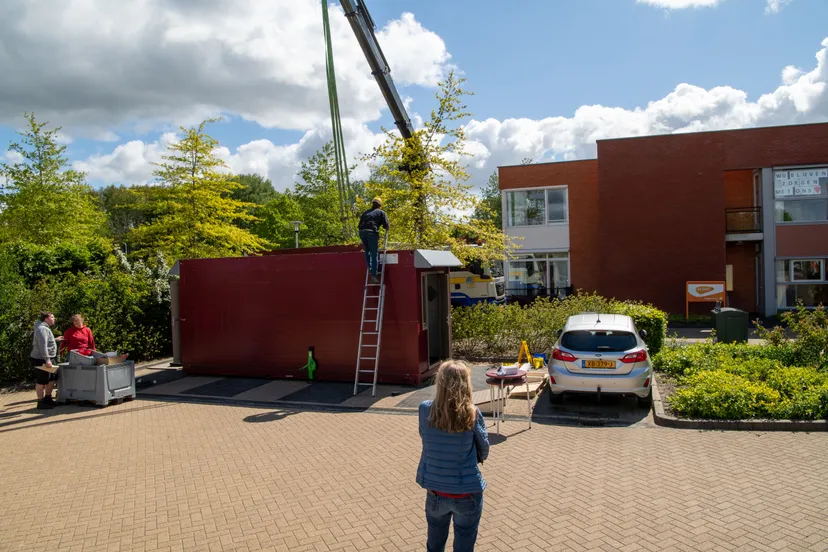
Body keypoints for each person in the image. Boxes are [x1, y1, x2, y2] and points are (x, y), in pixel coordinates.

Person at [417, 360, 489, 552]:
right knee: (464, 544)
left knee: (434, 544)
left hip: (435, 492)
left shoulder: (425, 409)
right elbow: (484, 450)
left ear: (439, 382)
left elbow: (425, 437)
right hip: (467, 493)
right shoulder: (472, 413)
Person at [30, 311, 62, 410]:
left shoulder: (44, 328)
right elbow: (42, 345)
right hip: (41, 359)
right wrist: (47, 360)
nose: (54, 319)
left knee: (52, 378)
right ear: (46, 318)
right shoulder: (42, 329)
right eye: (52, 317)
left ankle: (48, 399)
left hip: (48, 358)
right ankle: (40, 402)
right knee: (42, 380)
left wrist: (55, 340)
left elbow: (46, 341)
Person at [358, 197, 389, 284]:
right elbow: (386, 225)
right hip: (371, 233)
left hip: (362, 233)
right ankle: (374, 275)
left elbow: (359, 225)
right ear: (380, 205)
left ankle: (370, 267)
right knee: (374, 252)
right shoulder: (381, 212)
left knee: (367, 250)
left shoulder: (365, 212)